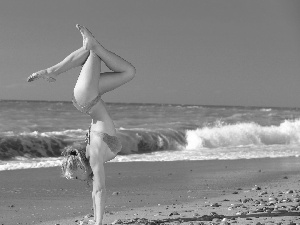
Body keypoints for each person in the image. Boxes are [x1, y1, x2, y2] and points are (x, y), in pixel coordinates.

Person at [27, 24, 136, 225]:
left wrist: (98, 223)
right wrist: (96, 220)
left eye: (75, 176)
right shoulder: (93, 157)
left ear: (79, 165)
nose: (78, 180)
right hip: (90, 97)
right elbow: (96, 191)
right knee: (128, 71)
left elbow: (100, 190)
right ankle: (55, 69)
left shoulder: (93, 154)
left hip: (87, 97)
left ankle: (52, 70)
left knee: (93, 51)